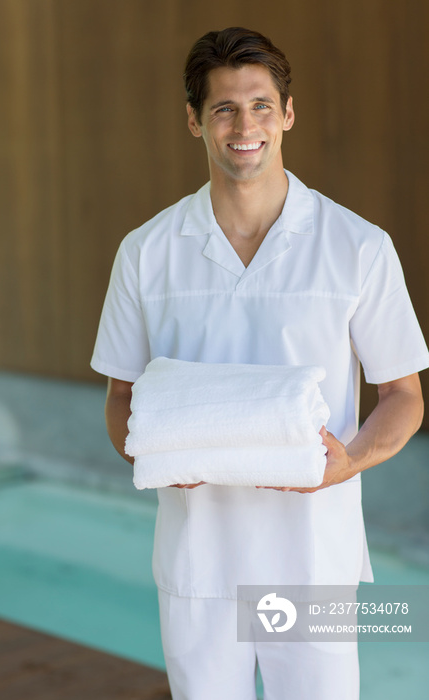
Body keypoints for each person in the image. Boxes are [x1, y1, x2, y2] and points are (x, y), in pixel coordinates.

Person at [91, 27, 429, 700]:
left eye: (261, 105)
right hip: (199, 565)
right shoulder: (146, 251)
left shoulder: (357, 246)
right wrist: (155, 455)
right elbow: (120, 398)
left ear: (288, 114)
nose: (244, 126)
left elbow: (404, 395)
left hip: (313, 563)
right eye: (223, 108)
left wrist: (351, 461)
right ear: (194, 120)